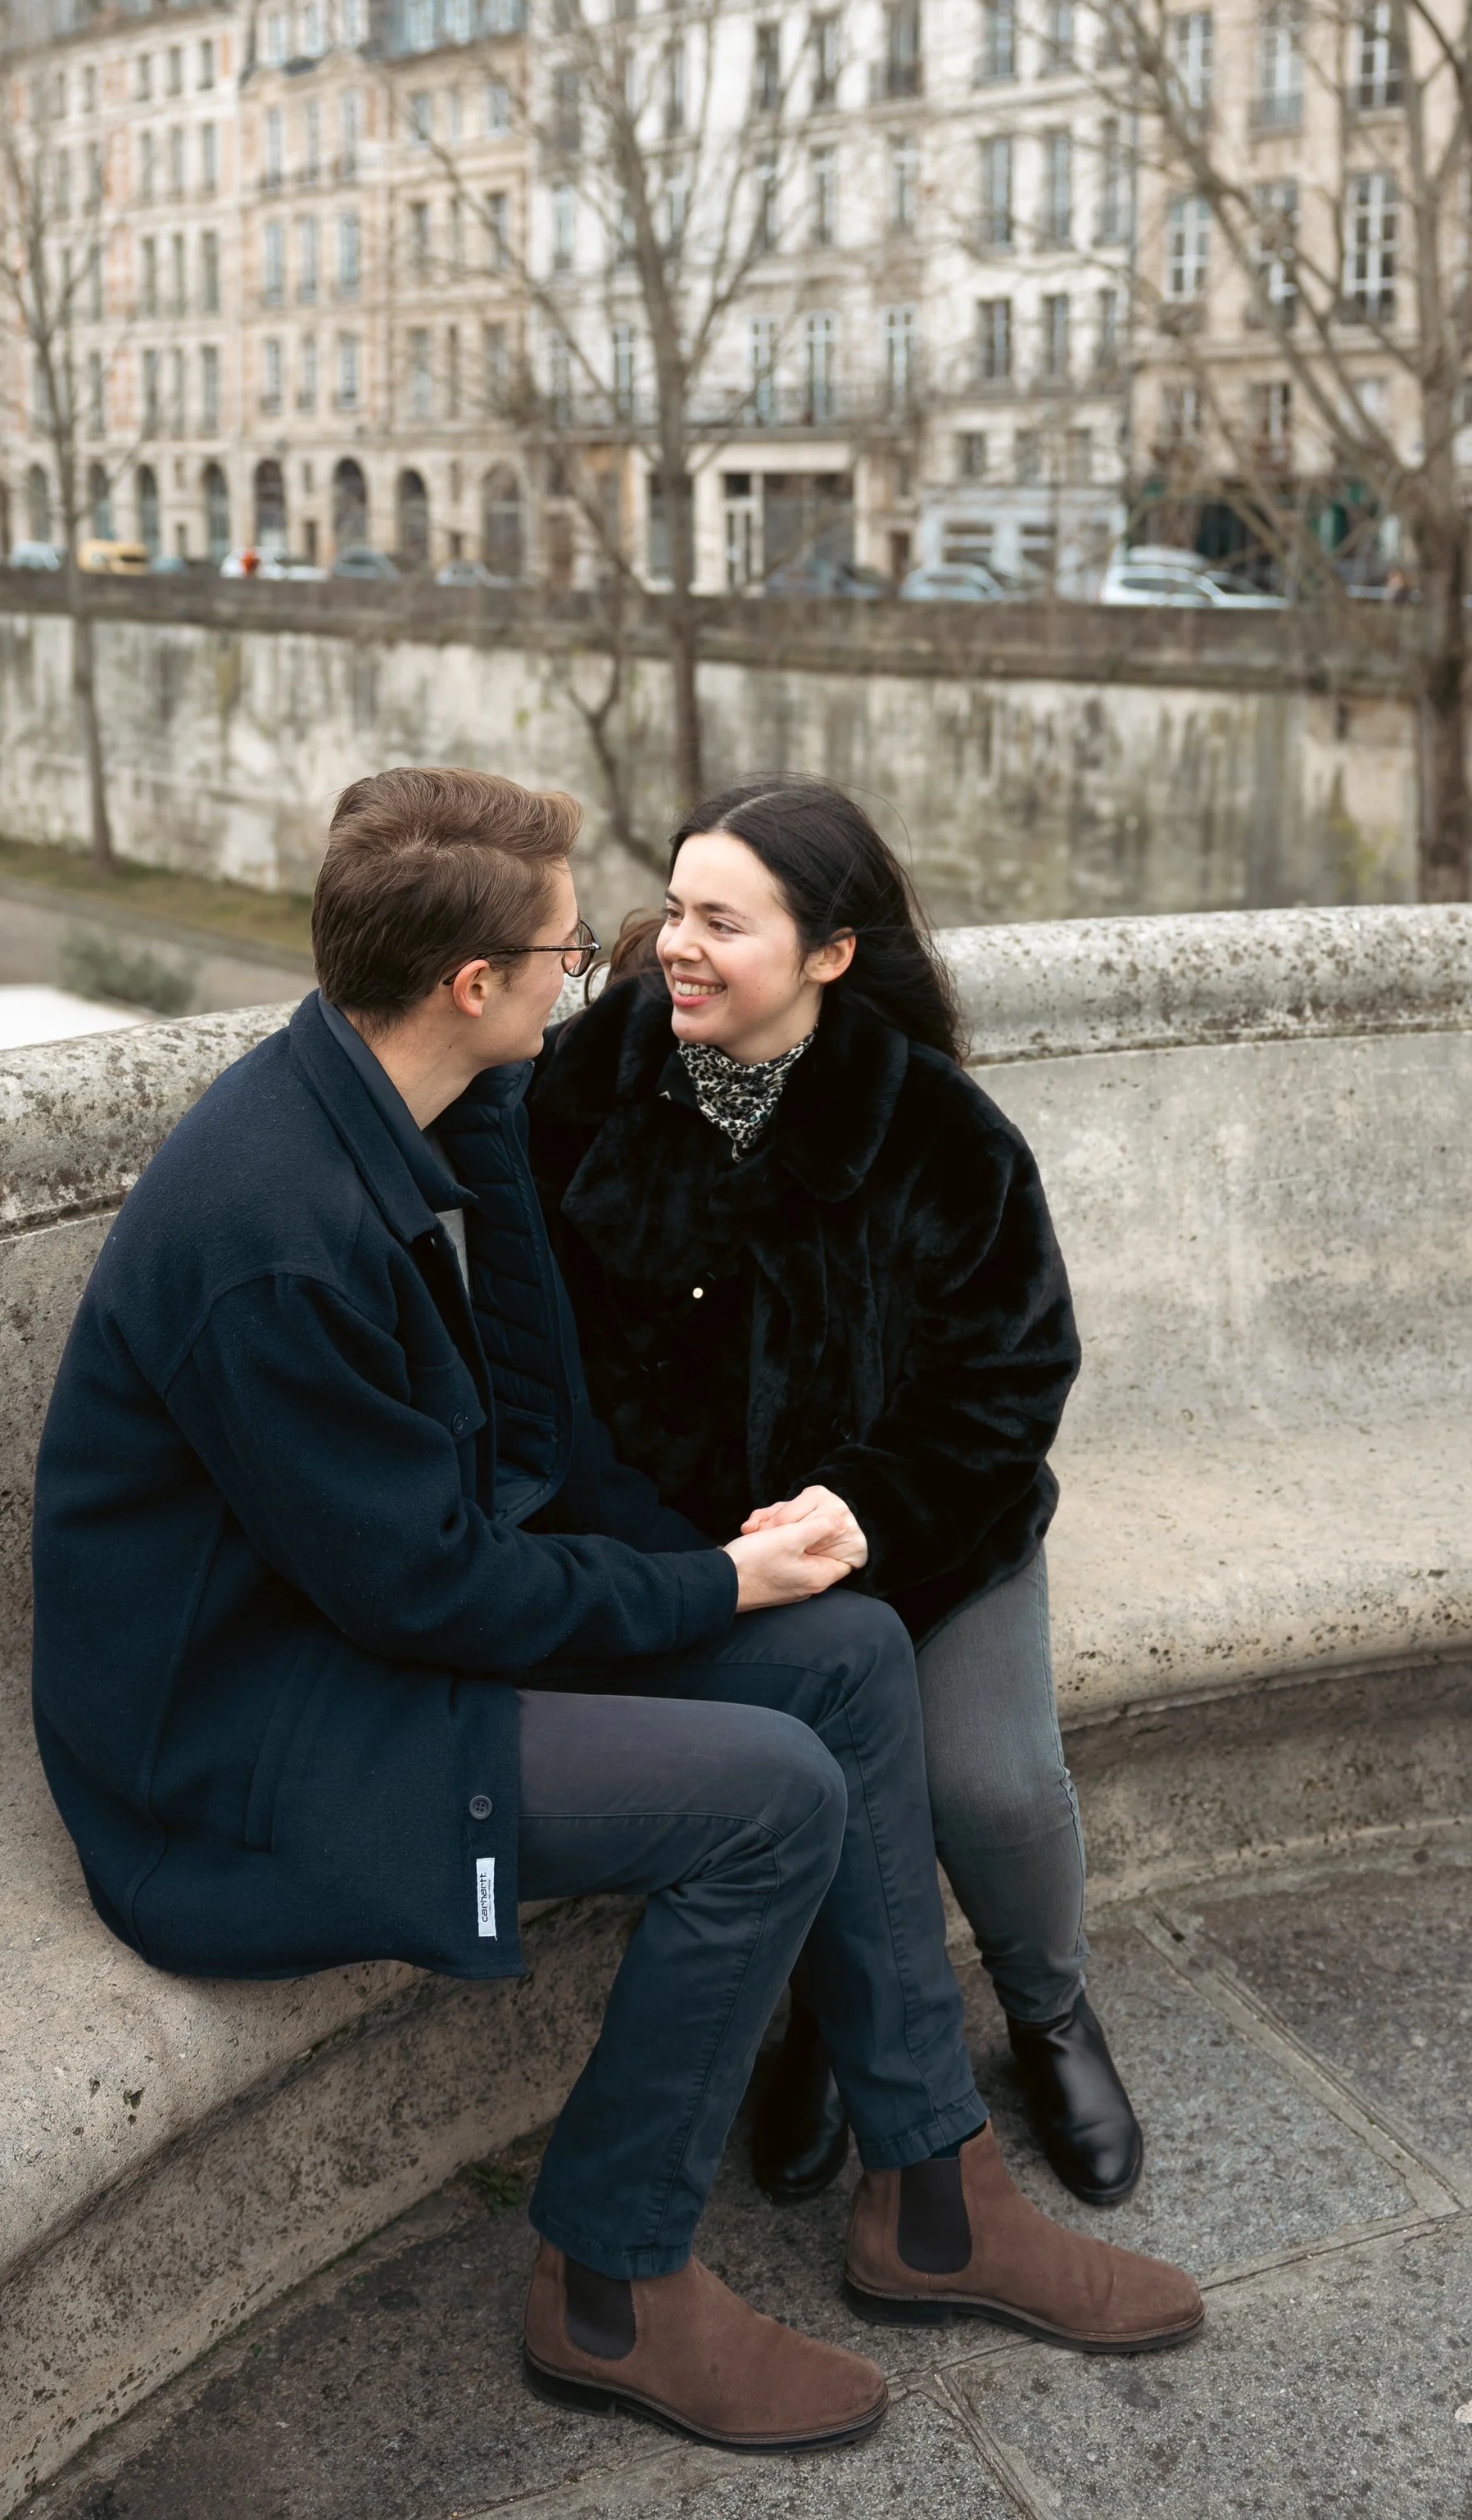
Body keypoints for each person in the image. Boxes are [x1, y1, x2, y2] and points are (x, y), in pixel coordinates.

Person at [32, 767, 1200, 2454]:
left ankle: (928, 2192)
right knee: (765, 1799)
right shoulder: (269, 1233)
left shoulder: (442, 1104)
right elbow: (425, 1588)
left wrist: (746, 1570)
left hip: (378, 1636)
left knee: (852, 1658)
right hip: (248, 1739)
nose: (622, 965)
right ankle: (610, 2279)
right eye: (580, 952)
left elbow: (540, 1426)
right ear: (473, 984)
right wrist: (708, 1581)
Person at [527, 775, 1146, 2213]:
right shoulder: (581, 1093)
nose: (675, 942)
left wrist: (865, 1507)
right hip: (702, 1558)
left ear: (829, 953)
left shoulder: (941, 1132)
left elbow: (1012, 1375)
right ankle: (822, 2016)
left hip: (930, 1537)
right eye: (674, 906)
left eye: (722, 922)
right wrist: (685, 1559)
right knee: (787, 1766)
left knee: (987, 1784)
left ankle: (1050, 2014)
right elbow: (543, 1350)